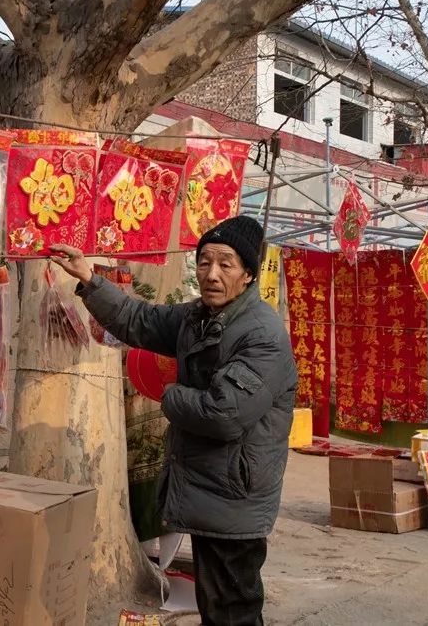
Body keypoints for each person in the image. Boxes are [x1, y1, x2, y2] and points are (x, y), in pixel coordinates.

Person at [51, 215, 297, 626]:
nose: (211, 274)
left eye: (226, 264)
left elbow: (224, 414)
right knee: (218, 607)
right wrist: (90, 278)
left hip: (234, 496)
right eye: (204, 262)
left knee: (233, 609)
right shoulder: (199, 317)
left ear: (249, 274)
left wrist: (168, 394)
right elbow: (140, 320)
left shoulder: (262, 335)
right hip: (211, 489)